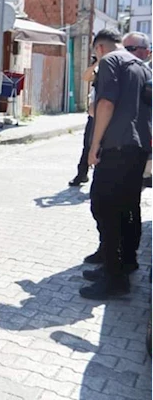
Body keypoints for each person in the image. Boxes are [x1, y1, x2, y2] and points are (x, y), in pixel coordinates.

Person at [80, 29, 152, 300]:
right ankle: (124, 263)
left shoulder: (110, 61)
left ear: (100, 48)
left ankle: (114, 278)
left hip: (117, 147)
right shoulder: (143, 68)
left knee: (105, 207)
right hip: (138, 149)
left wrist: (94, 145)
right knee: (127, 209)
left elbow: (106, 104)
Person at [123, 31, 152, 189]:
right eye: (123, 48)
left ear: (146, 52)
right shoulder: (119, 70)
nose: (125, 53)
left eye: (130, 48)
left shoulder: (148, 73)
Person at [69, 55, 99, 187]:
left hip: (106, 115)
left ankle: (99, 179)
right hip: (93, 116)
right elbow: (86, 77)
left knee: (102, 148)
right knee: (87, 145)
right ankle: (81, 174)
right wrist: (96, 62)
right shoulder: (98, 71)